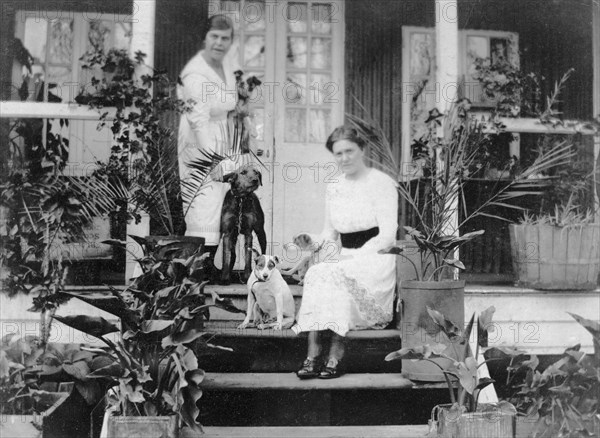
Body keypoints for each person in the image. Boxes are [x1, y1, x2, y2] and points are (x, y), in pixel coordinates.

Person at [293, 126, 399, 379]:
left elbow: (387, 234)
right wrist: (312, 241)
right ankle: (312, 354)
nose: (344, 158)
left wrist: (352, 257)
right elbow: (330, 235)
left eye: (349, 151)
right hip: (347, 257)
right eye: (338, 154)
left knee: (335, 272)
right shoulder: (334, 186)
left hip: (377, 259)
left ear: (362, 149)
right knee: (318, 272)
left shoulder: (381, 183)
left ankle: (335, 356)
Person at [177, 14, 238, 254]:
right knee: (204, 205)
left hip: (220, 141)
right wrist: (211, 159)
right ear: (204, 37)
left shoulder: (224, 66)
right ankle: (196, 275)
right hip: (200, 144)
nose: (219, 43)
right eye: (214, 36)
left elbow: (226, 106)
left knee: (220, 204)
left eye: (225, 38)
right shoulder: (196, 73)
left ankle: (210, 272)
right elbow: (198, 121)